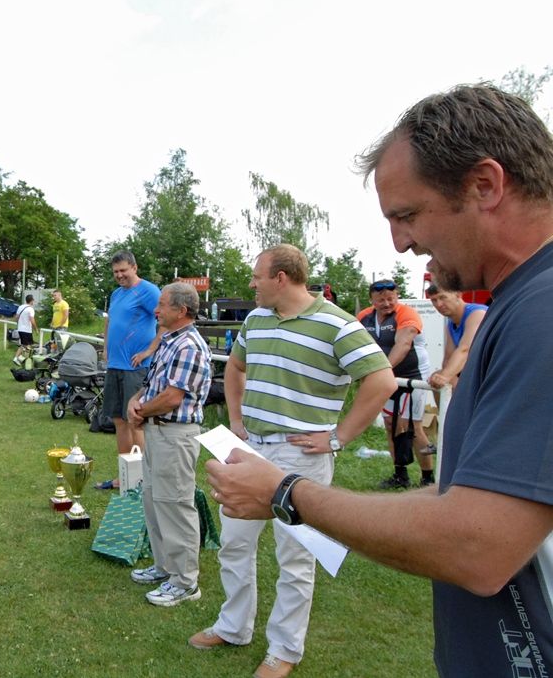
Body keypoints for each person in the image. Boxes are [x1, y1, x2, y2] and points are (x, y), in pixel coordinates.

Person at [207, 84, 553, 677]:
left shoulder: (542, 312)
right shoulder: (520, 304)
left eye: (407, 214)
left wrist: (289, 492)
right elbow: (469, 502)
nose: (401, 242)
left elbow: (479, 546)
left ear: (486, 186)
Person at [190, 245, 395, 678]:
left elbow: (382, 380)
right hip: (249, 448)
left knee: (296, 556)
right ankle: (233, 627)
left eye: (257, 276)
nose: (251, 284)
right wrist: (235, 418)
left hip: (300, 455)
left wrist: (337, 437)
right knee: (234, 542)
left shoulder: (336, 324)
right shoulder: (256, 319)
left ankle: (283, 650)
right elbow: (236, 368)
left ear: (281, 278)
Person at [124, 282, 211, 607]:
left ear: (182, 310)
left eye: (161, 305)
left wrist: (141, 412)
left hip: (176, 436)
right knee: (155, 501)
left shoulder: (189, 345)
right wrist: (136, 402)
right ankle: (165, 567)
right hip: (156, 431)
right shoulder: (168, 342)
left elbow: (173, 397)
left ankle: (186, 582)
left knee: (175, 505)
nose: (155, 311)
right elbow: (151, 384)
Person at [357, 280, 435, 488]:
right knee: (391, 424)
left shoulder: (406, 314)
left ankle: (428, 478)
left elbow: (403, 344)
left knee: (412, 427)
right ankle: (400, 475)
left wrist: (383, 371)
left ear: (397, 296)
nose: (386, 303)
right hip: (386, 377)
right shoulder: (364, 317)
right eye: (380, 300)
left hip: (412, 376)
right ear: (371, 300)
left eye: (391, 298)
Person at [96, 250, 162, 489]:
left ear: (135, 267)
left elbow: (166, 321)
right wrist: (105, 348)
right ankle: (125, 476)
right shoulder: (116, 293)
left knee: (135, 421)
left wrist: (148, 351)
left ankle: (144, 476)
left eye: (123, 270)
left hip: (136, 367)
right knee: (119, 421)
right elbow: (109, 322)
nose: (119, 275)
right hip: (115, 365)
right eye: (115, 272)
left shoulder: (149, 291)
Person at [425, 283, 487, 391]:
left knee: (444, 377)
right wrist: (443, 377)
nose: (439, 304)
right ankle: (446, 408)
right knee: (438, 377)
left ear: (458, 295)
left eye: (443, 297)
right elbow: (448, 358)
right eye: (434, 300)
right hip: (481, 372)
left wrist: (445, 376)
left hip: (500, 371)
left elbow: (465, 350)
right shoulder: (451, 322)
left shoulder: (477, 314)